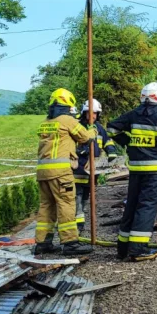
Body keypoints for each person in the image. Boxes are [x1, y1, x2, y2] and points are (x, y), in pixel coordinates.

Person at [107, 82, 157, 262]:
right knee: (147, 207)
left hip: (136, 169)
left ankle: (123, 248)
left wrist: (127, 141)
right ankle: (138, 249)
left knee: (131, 205)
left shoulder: (133, 114)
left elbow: (111, 128)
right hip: (155, 170)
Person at [35, 88, 96, 256]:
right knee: (66, 204)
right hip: (61, 173)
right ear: (68, 104)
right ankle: (70, 243)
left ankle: (43, 243)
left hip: (42, 173)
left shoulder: (45, 122)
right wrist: (93, 130)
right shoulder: (68, 121)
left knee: (46, 206)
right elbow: (85, 138)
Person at [72, 99, 119, 233]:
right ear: (84, 113)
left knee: (85, 196)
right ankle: (78, 224)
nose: (92, 115)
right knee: (77, 196)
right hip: (79, 168)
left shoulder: (99, 128)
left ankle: (79, 220)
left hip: (93, 169)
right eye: (89, 112)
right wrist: (82, 151)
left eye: (95, 113)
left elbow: (107, 141)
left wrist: (111, 152)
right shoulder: (77, 127)